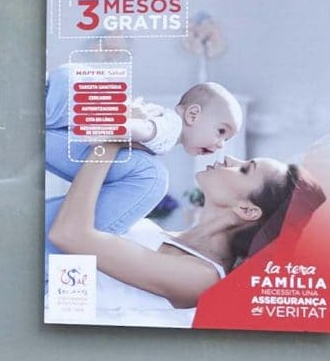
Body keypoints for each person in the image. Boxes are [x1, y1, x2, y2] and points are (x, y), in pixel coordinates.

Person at [47, 141, 307, 318]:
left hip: (39, 300)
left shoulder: (202, 277)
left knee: (151, 175)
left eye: (244, 169)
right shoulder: (162, 233)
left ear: (247, 210)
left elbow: (69, 235)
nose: (230, 158)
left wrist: (108, 144)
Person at [40, 68, 241, 243]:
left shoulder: (165, 121)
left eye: (227, 139)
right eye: (221, 132)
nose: (221, 144)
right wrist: (110, 130)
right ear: (193, 115)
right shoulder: (169, 131)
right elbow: (143, 129)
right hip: (72, 98)